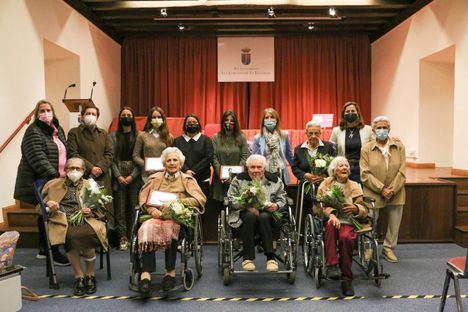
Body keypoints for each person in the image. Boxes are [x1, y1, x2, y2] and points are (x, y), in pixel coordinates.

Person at [137, 147, 206, 293]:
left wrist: (179, 203)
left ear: (180, 163)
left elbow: (200, 199)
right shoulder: (154, 178)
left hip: (176, 218)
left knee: (172, 229)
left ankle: (170, 273)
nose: (172, 163)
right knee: (146, 229)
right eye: (169, 160)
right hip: (155, 216)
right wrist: (151, 210)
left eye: (175, 160)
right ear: (164, 163)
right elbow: (144, 199)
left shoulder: (188, 179)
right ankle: (145, 276)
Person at [41, 158, 108, 296]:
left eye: (78, 168)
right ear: (65, 170)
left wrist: (91, 210)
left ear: (84, 171)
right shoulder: (52, 185)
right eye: (71, 168)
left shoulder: (90, 185)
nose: (74, 171)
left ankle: (90, 274)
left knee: (90, 234)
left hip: (87, 220)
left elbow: (100, 207)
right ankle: (79, 276)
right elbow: (40, 207)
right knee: (70, 236)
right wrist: (49, 206)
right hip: (64, 221)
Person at [13, 100, 69, 265]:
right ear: (37, 114)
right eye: (42, 110)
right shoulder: (33, 131)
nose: (46, 113)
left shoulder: (56, 130)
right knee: (47, 211)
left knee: (48, 212)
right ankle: (52, 250)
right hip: (42, 180)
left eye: (48, 109)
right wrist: (53, 175)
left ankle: (46, 248)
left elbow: (64, 151)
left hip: (58, 179)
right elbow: (37, 157)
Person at [317, 156, 368, 296]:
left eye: (346, 166)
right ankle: (332, 265)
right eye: (341, 166)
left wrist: (356, 208)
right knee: (330, 225)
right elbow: (319, 206)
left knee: (346, 237)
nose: (345, 168)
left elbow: (364, 208)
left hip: (348, 221)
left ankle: (346, 279)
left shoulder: (355, 186)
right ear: (334, 170)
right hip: (332, 219)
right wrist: (331, 214)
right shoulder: (326, 184)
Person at [227, 154, 287, 272]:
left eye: (259, 167)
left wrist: (276, 205)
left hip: (269, 216)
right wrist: (246, 205)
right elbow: (231, 199)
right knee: (250, 215)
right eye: (252, 167)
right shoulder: (238, 180)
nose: (256, 170)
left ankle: (270, 259)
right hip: (244, 215)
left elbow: (283, 199)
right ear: (247, 168)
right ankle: (247, 259)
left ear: (264, 168)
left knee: (263, 217)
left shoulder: (275, 180)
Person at [360, 116, 406, 263]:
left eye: (384, 127)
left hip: (396, 191)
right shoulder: (366, 148)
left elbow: (402, 170)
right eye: (379, 128)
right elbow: (364, 173)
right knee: (370, 222)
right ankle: (368, 248)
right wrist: (382, 189)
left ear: (389, 129)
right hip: (373, 191)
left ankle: (388, 249)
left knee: (394, 222)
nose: (382, 130)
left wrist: (392, 189)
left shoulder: (399, 146)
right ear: (373, 130)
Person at [67, 104, 114, 235]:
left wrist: (100, 167)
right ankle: (87, 238)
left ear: (97, 117)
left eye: (94, 114)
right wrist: (91, 168)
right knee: (85, 207)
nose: (90, 116)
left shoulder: (104, 133)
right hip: (83, 176)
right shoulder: (74, 133)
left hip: (102, 176)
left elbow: (109, 154)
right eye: (88, 114)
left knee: (102, 206)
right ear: (82, 116)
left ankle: (103, 238)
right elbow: (73, 153)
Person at [109, 107, 141, 251]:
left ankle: (135, 235)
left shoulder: (139, 136)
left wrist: (132, 176)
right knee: (120, 209)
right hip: (118, 174)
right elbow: (111, 159)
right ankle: (122, 237)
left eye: (129, 115)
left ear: (133, 118)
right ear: (119, 118)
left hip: (135, 174)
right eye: (124, 115)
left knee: (135, 207)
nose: (126, 117)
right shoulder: (112, 136)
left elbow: (141, 158)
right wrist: (118, 176)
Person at [212, 111, 250, 206]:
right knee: (220, 209)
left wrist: (234, 176)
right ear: (222, 122)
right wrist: (221, 174)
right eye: (226, 120)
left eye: (231, 120)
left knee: (236, 205)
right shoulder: (216, 137)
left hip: (238, 180)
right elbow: (213, 157)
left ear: (235, 122)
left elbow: (245, 156)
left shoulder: (241, 137)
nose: (229, 122)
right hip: (219, 181)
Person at [330, 101, 373, 184]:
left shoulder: (368, 129)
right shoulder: (337, 130)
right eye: (347, 111)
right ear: (343, 114)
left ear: (358, 113)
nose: (350, 113)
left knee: (359, 193)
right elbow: (331, 149)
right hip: (344, 169)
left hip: (362, 168)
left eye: (353, 111)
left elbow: (376, 145)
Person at [172, 114, 213, 197]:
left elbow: (208, 157)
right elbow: (175, 157)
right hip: (182, 180)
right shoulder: (177, 141)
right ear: (185, 125)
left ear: (199, 124)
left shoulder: (206, 140)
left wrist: (193, 171)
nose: (192, 124)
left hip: (202, 180)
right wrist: (186, 170)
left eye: (194, 122)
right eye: (189, 122)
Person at [251, 108, 294, 184]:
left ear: (276, 120)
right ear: (263, 121)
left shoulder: (284, 135)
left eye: (272, 117)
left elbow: (289, 155)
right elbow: (254, 159)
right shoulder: (257, 138)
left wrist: (297, 170)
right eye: (267, 118)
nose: (269, 119)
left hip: (281, 172)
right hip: (264, 174)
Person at [133, 106, 173, 181]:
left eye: (159, 117)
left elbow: (172, 156)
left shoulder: (169, 137)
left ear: (163, 119)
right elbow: (135, 156)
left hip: (165, 174)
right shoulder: (142, 135)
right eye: (154, 117)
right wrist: (147, 165)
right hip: (147, 175)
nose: (156, 119)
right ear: (150, 119)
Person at [292, 120, 337, 185]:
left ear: (320, 133)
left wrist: (324, 176)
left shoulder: (329, 147)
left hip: (325, 185)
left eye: (316, 133)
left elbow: (335, 165)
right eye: (310, 133)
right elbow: (294, 167)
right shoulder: (298, 149)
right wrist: (304, 175)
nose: (313, 136)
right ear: (306, 133)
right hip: (306, 185)